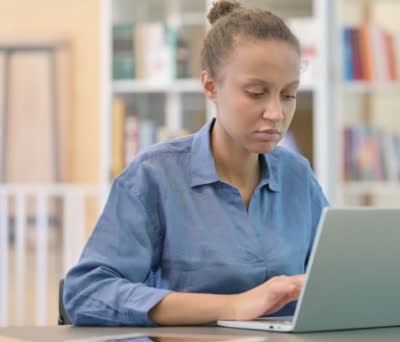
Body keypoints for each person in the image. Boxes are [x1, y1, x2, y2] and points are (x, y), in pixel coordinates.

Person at [63, 0, 328, 326]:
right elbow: (86, 293)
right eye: (256, 92)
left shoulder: (298, 177)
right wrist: (233, 307)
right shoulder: (154, 176)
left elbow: (336, 284)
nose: (276, 113)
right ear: (210, 86)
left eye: (288, 95)